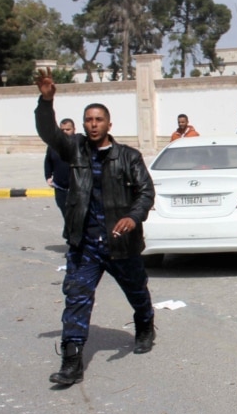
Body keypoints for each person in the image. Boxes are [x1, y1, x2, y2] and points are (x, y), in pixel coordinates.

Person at [33, 68, 157, 386]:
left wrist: (133, 216)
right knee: (77, 297)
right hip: (85, 243)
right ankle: (71, 361)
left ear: (108, 124)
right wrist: (46, 102)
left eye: (98, 120)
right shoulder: (74, 150)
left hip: (121, 244)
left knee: (137, 291)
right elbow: (49, 134)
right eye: (88, 120)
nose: (92, 124)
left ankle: (145, 325)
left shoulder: (127, 157)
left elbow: (146, 191)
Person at [45, 118, 75, 223]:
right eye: (62, 130)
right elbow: (48, 161)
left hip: (76, 189)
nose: (65, 132)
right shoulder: (53, 145)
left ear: (74, 130)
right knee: (66, 214)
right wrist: (48, 176)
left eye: (68, 129)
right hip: (60, 188)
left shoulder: (80, 145)